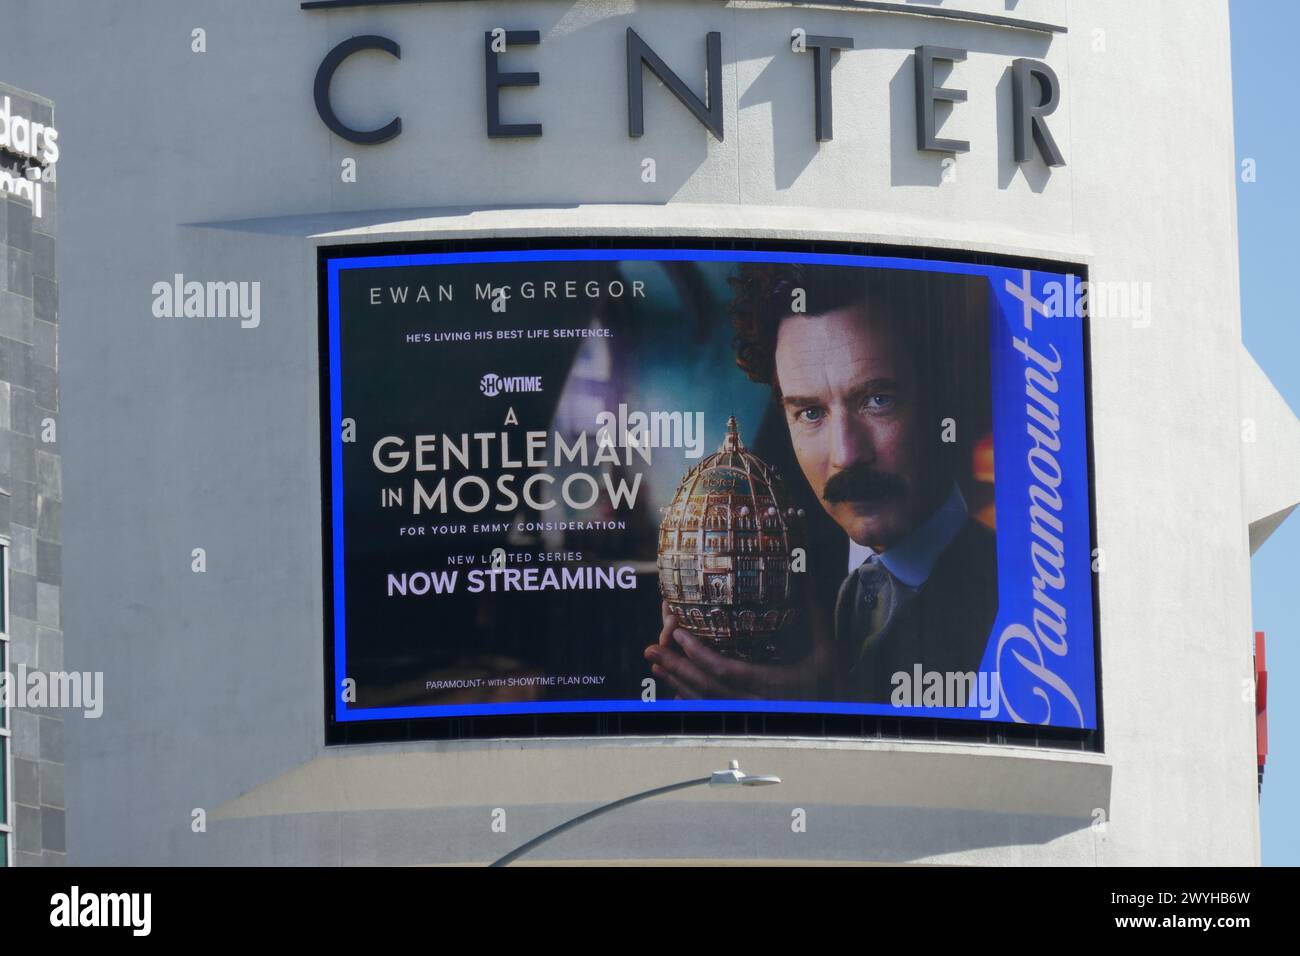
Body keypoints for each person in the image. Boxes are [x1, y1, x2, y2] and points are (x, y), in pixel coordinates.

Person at [645, 262, 997, 703]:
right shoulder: (763, 575)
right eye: (810, 413)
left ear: (940, 391)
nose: (846, 455)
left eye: (877, 400)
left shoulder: (1012, 604)